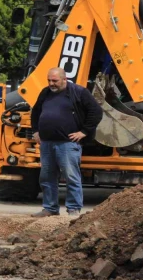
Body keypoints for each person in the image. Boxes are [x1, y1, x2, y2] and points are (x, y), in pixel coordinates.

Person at [30, 68, 103, 218]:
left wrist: (84, 131)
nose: (51, 83)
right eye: (49, 80)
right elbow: (36, 112)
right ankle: (50, 208)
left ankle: (73, 209)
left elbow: (96, 112)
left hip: (68, 144)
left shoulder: (79, 92)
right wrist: (36, 131)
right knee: (46, 177)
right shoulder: (45, 93)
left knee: (71, 176)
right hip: (47, 143)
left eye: (55, 81)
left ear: (65, 79)